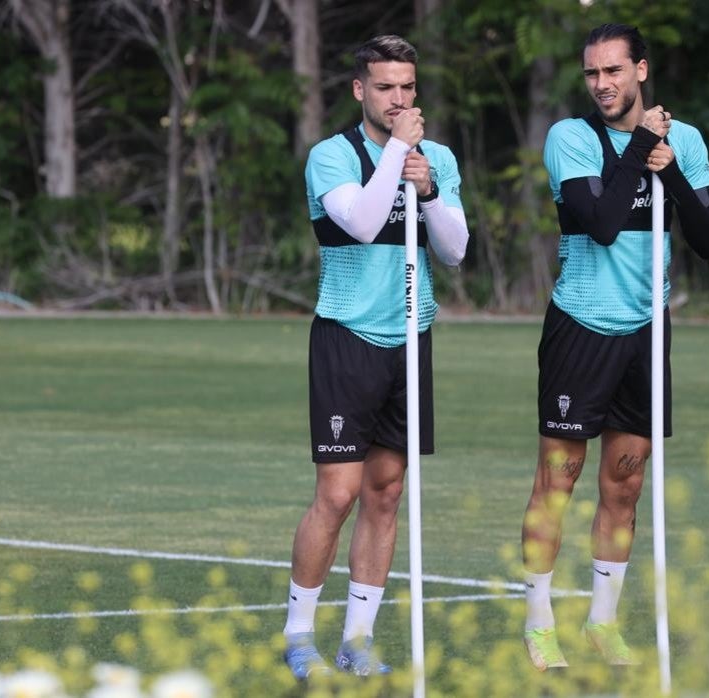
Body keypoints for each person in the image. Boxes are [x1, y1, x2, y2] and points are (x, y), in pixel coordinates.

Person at [519, 23, 709, 671]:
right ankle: (540, 620)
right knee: (559, 480)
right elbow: (601, 224)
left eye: (613, 71)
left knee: (625, 485)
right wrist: (640, 148)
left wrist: (673, 173)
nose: (602, 85)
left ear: (640, 70)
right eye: (592, 75)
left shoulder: (681, 140)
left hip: (645, 330)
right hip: (581, 326)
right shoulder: (570, 138)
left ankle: (603, 624)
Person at [282, 34, 469, 680]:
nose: (398, 98)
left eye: (407, 88)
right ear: (360, 90)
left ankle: (356, 640)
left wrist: (433, 189)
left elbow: (455, 250)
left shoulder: (433, 157)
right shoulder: (331, 157)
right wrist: (396, 155)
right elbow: (360, 223)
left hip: (410, 336)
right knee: (338, 493)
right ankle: (299, 635)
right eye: (385, 87)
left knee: (386, 494)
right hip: (348, 337)